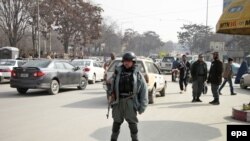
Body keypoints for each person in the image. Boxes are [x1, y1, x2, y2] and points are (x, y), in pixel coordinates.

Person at [109, 52, 148, 141]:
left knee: (133, 125)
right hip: (118, 102)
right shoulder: (117, 72)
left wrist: (142, 107)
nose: (126, 63)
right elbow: (111, 86)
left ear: (133, 62)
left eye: (129, 61)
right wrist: (111, 95)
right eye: (125, 61)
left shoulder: (137, 75)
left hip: (130, 101)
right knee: (116, 124)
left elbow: (144, 91)